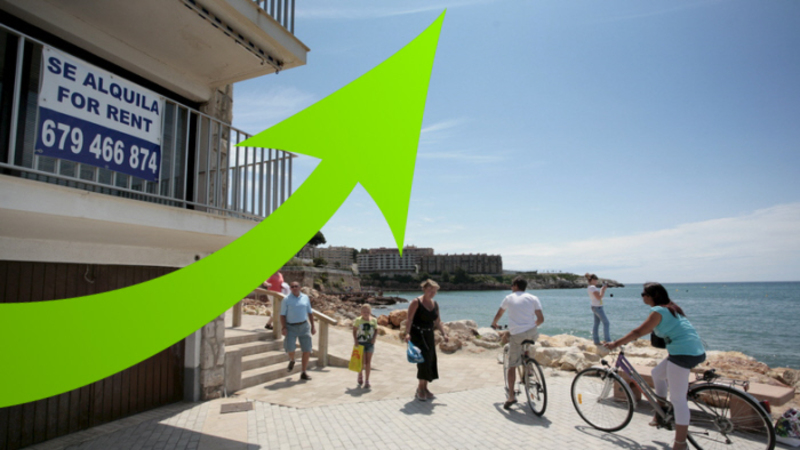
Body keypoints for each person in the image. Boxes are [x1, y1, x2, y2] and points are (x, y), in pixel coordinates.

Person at [605, 282, 706, 450]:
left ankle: (680, 444)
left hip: (682, 354)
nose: (642, 297)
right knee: (657, 373)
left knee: (678, 400)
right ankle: (661, 412)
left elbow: (638, 332)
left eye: (643, 294)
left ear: (653, 296)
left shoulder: (658, 311)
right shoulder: (672, 308)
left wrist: (615, 343)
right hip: (694, 350)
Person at [491, 277, 544, 409]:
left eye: (512, 285)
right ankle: (528, 367)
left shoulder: (509, 298)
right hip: (532, 332)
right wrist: (531, 326)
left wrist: (494, 323)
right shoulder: (533, 298)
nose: (511, 288)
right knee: (526, 346)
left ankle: (511, 396)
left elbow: (500, 312)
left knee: (512, 365)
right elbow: (541, 319)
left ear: (515, 286)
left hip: (517, 334)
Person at [404, 279, 449, 401]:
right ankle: (420, 388)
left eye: (434, 291)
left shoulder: (435, 304)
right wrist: (407, 333)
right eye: (430, 290)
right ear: (424, 289)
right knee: (422, 361)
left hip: (429, 335)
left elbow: (437, 321)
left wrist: (444, 334)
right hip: (418, 334)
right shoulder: (416, 302)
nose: (432, 293)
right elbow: (409, 319)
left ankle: (425, 388)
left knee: (430, 360)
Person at [280, 281, 316, 381]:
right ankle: (292, 360)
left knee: (307, 350)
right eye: (292, 287)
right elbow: (282, 315)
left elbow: (310, 312)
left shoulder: (305, 298)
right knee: (290, 349)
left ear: (300, 287)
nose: (295, 288)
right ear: (290, 288)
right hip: (291, 327)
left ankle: (303, 372)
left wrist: (313, 326)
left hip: (304, 326)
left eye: (296, 286)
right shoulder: (286, 299)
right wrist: (283, 327)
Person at [353, 304, 378, 389]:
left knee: (368, 362)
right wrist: (355, 340)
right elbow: (354, 330)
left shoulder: (374, 320)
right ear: (361, 312)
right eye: (364, 312)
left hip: (370, 344)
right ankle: (360, 375)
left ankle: (367, 380)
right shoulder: (358, 320)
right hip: (361, 343)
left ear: (370, 312)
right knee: (362, 362)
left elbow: (376, 330)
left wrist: (374, 338)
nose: (366, 313)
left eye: (367, 312)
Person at [585, 273, 611, 345]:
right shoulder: (592, 287)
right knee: (606, 323)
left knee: (596, 324)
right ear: (592, 280)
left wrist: (602, 289)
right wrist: (602, 289)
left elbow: (598, 297)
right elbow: (599, 297)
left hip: (595, 306)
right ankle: (608, 341)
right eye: (595, 280)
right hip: (598, 307)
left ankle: (596, 341)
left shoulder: (590, 287)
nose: (596, 281)